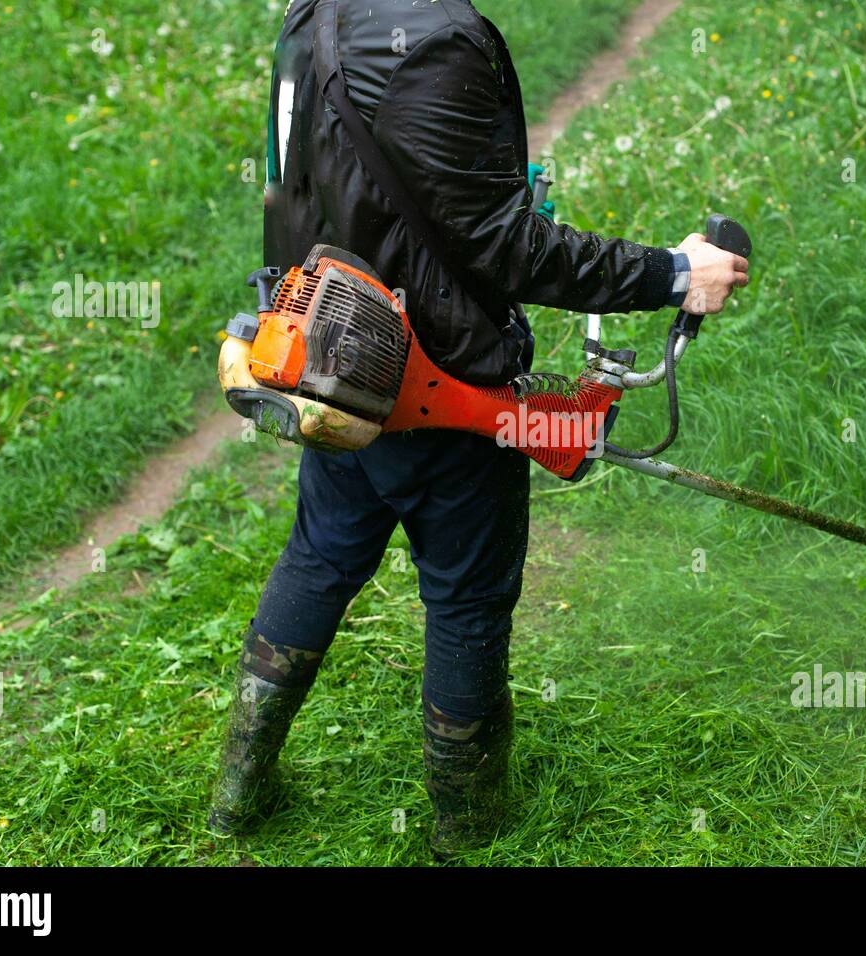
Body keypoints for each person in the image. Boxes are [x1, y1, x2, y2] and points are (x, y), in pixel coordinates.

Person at [207, 0, 749, 856]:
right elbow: (506, 248)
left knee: (319, 555)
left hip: (328, 363)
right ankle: (470, 828)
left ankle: (238, 789)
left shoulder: (315, 12)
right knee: (465, 597)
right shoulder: (436, 42)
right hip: (440, 380)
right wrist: (674, 272)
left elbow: (296, 189)